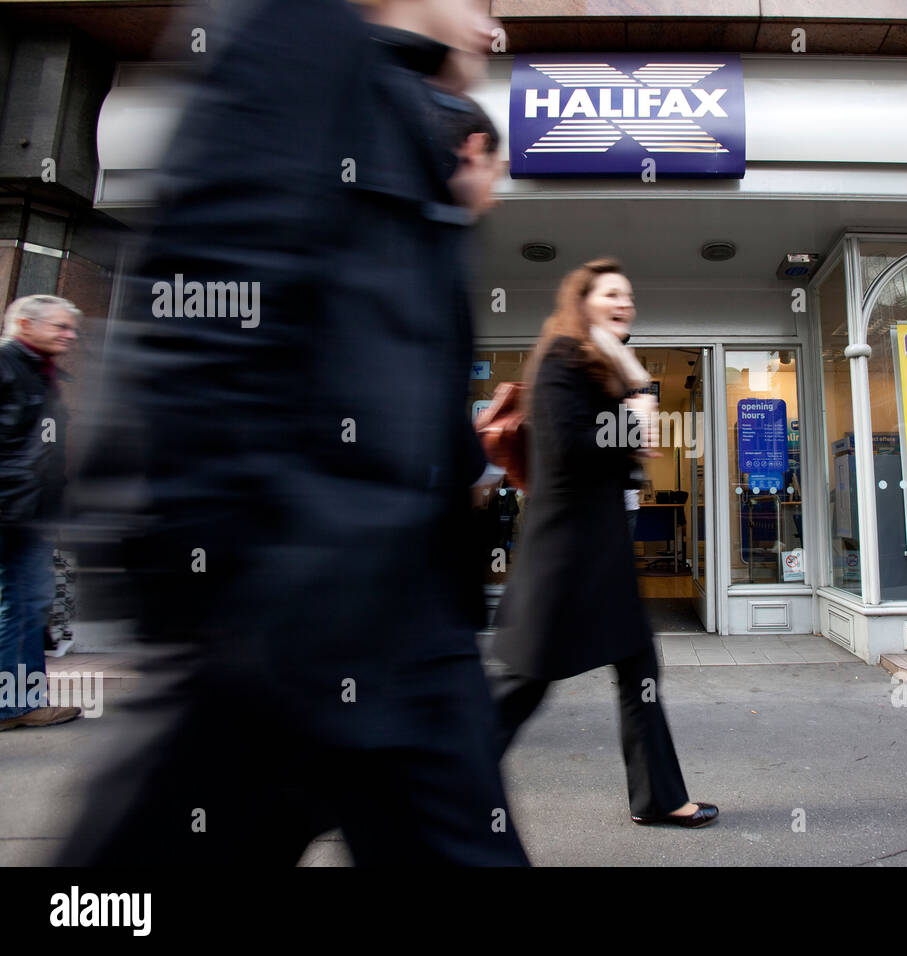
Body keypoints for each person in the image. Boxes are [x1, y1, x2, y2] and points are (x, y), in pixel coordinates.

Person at [57, 0, 529, 865]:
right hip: (283, 615)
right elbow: (203, 309)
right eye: (478, 2)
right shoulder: (299, 38)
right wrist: (220, 586)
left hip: (406, 624)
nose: (489, 28)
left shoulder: (411, 120)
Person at [491, 258, 719, 828]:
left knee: (638, 670)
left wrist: (631, 394)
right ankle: (427, 787)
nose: (625, 303)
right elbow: (571, 448)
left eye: (629, 295)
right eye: (612, 293)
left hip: (598, 549)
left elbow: (621, 461)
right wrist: (636, 408)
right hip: (567, 555)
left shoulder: (596, 367)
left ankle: (659, 797)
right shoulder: (562, 358)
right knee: (523, 685)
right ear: (582, 302)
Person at [0, 295, 82, 731]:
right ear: (26, 325)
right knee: (20, 602)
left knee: (27, 603)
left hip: (28, 511)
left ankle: (20, 701)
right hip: (12, 509)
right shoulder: (7, 364)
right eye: (60, 326)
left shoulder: (38, 370)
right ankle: (12, 705)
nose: (69, 335)